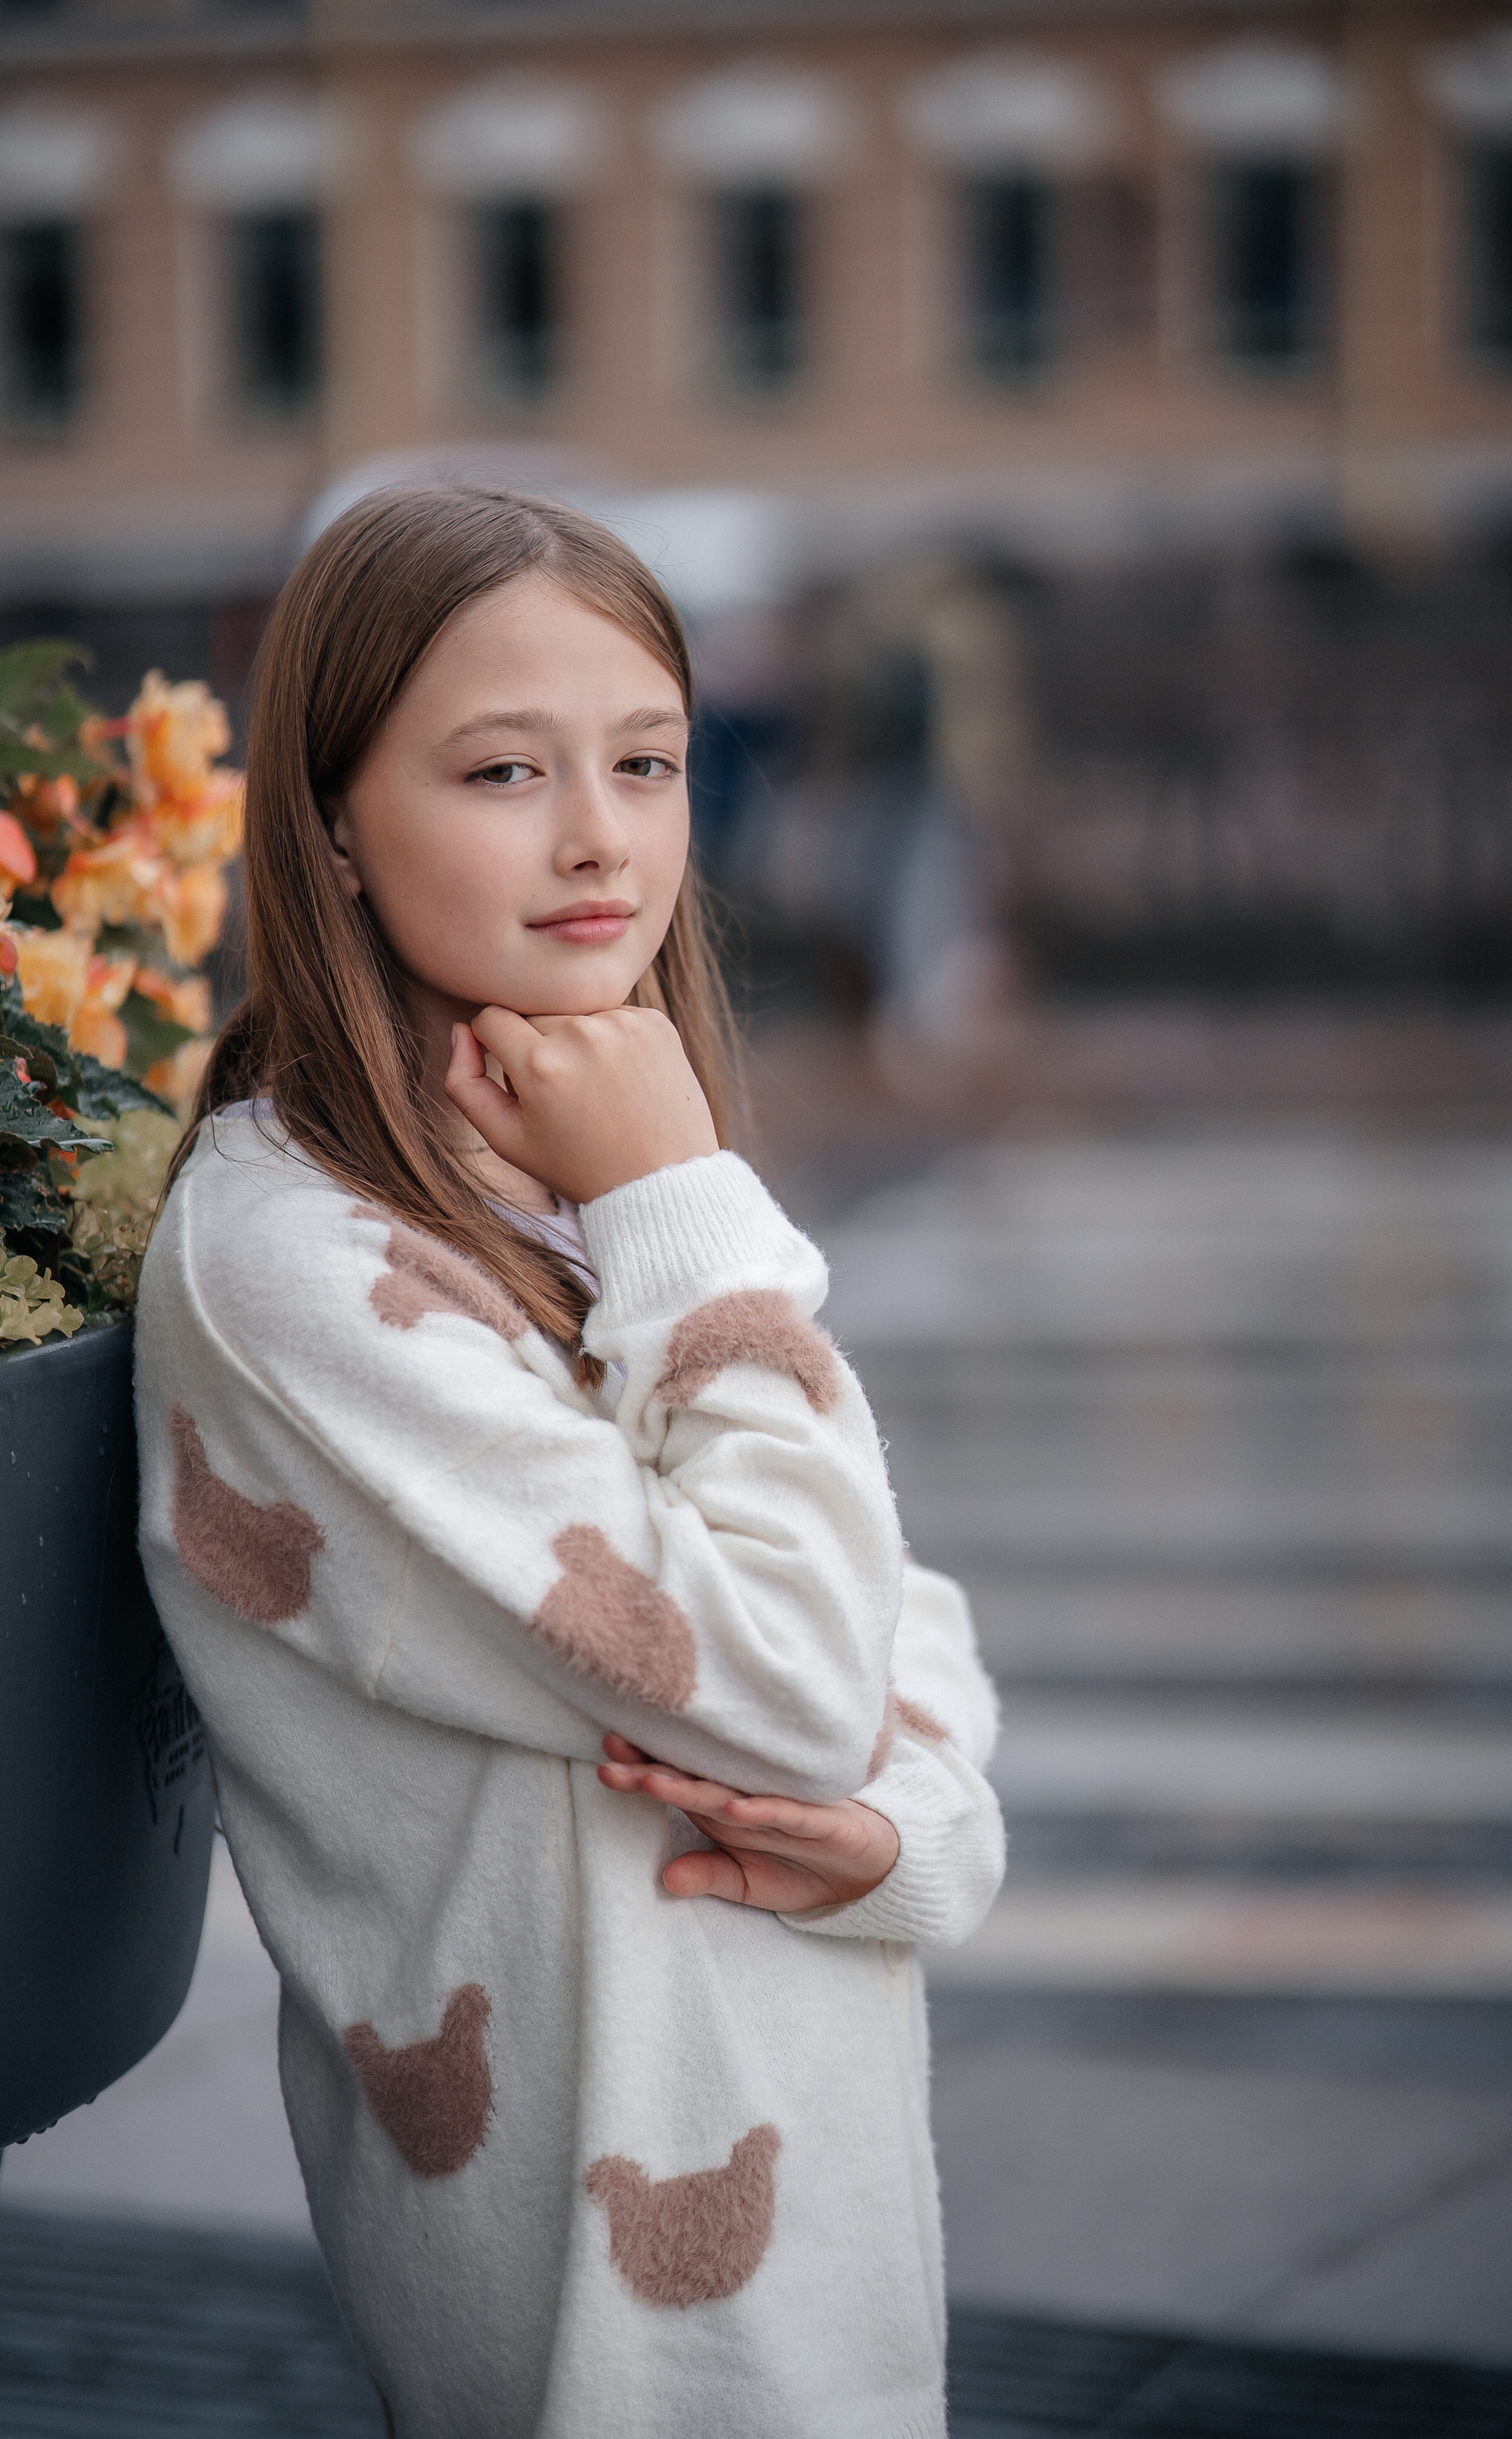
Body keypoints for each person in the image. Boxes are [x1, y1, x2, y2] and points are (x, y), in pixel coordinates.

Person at [135, 485, 1005, 2439]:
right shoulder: (301, 1263)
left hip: (821, 2198)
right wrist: (683, 1197)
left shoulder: (567, 1152)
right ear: (336, 820)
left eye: (648, 762)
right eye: (503, 770)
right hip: (595, 2312)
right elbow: (791, 1670)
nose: (601, 835)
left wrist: (906, 1847)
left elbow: (883, 1592)